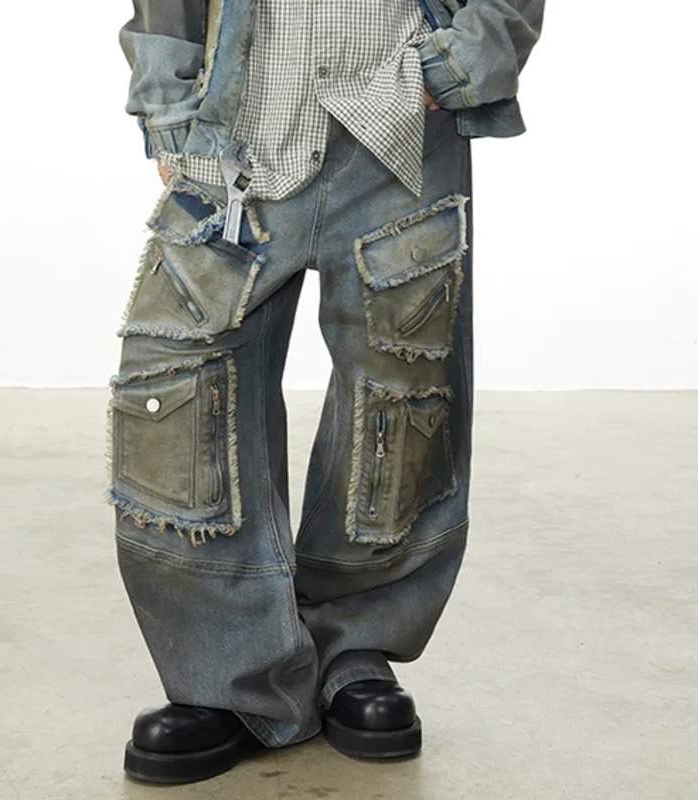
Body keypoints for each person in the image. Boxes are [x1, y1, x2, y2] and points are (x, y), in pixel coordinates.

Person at [108, 0, 545, 785]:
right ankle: (228, 673)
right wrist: (167, 98)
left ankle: (356, 648)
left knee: (399, 392)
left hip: (399, 123)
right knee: (181, 392)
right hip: (239, 122)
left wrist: (458, 62)